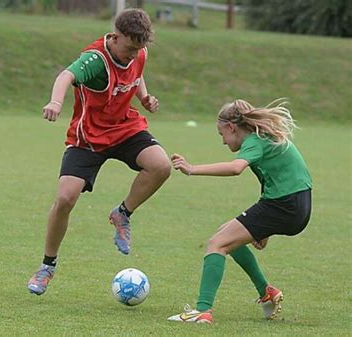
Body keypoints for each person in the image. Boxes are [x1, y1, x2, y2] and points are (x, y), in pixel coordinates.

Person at [27, 9, 171, 296]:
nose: (133, 54)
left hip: (125, 127)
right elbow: (65, 75)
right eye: (129, 48)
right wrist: (55, 102)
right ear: (115, 37)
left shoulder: (138, 53)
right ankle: (47, 266)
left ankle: (122, 213)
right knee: (65, 198)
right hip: (89, 137)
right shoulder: (95, 60)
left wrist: (144, 97)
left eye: (138, 49)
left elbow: (137, 72)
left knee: (161, 166)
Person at [168, 98, 312, 324]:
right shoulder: (264, 137)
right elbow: (276, 179)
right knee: (227, 236)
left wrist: (191, 169)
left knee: (217, 243)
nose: (223, 142)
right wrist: (264, 229)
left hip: (284, 204)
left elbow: (236, 168)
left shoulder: (254, 141)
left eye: (221, 134)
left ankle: (202, 311)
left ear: (232, 127)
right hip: (297, 204)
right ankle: (266, 292)